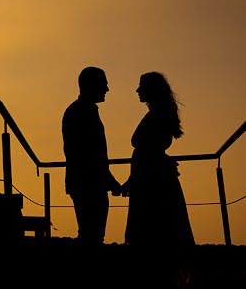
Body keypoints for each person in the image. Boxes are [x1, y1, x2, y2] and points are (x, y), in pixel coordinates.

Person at [121, 72, 195, 248]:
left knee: (152, 230)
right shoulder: (159, 113)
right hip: (151, 177)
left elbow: (149, 151)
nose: (137, 90)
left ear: (152, 90)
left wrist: (134, 179)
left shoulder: (157, 115)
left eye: (142, 86)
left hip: (151, 181)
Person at [62, 66, 122, 245]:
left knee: (92, 234)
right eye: (104, 84)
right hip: (87, 183)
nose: (107, 89)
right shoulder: (81, 112)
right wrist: (107, 180)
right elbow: (86, 154)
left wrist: (108, 180)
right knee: (92, 236)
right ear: (92, 85)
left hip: (88, 182)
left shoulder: (82, 110)